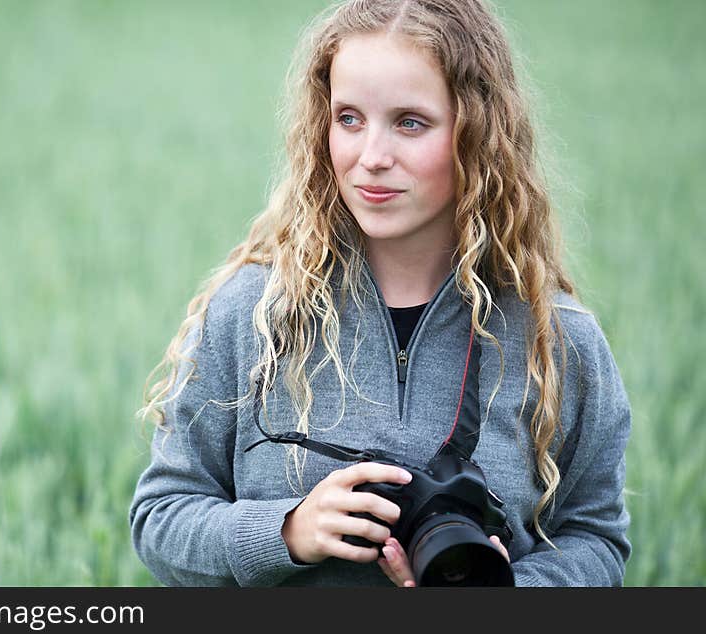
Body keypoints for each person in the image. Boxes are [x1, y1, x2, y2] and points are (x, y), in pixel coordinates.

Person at [129, 0, 631, 587]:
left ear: (477, 133)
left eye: (410, 123)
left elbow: (595, 541)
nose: (371, 158)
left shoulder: (558, 341)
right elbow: (160, 518)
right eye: (349, 119)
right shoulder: (253, 314)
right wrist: (287, 531)